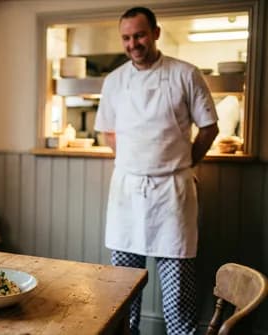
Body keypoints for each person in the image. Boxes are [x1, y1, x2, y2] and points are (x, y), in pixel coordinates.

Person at [94, 7, 219, 335]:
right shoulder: (115, 81)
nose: (133, 43)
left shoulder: (185, 74)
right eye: (126, 37)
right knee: (123, 291)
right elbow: (109, 132)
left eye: (139, 35)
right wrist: (136, 164)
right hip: (127, 193)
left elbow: (209, 128)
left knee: (178, 295)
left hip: (172, 194)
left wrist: (185, 162)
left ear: (156, 33)